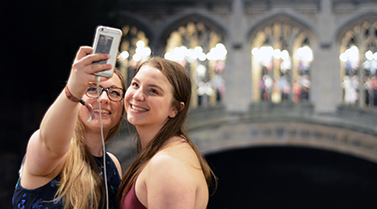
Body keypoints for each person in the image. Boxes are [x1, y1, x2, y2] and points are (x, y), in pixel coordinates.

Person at [12, 46, 126, 209]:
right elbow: (49, 145)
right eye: (93, 89)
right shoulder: (54, 153)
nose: (104, 98)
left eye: (114, 92)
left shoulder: (112, 165)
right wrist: (72, 89)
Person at [117, 57, 216, 209]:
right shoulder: (168, 151)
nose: (137, 96)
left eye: (153, 91)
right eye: (135, 84)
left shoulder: (167, 164)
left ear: (175, 109)